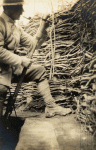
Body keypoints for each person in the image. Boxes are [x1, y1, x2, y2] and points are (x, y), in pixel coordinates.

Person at [0, 0, 72, 119]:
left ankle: (51, 106)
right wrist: (21, 60)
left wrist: (42, 26)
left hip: (10, 71)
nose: (23, 11)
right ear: (10, 8)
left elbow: (33, 44)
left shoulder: (16, 28)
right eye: (20, 8)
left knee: (39, 71)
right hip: (1, 75)